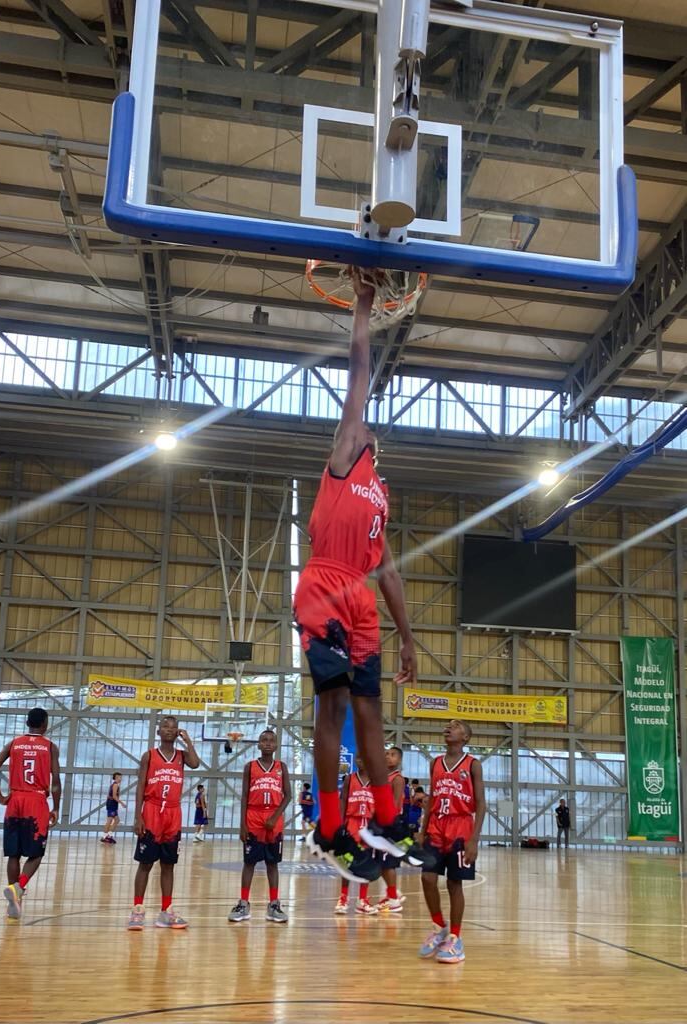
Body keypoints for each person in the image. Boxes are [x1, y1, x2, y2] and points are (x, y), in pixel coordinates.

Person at [294, 270, 417, 881]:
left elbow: (390, 572)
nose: (366, 422)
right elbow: (359, 370)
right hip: (325, 584)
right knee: (334, 707)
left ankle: (387, 820)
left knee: (372, 712)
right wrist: (364, 306)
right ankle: (328, 825)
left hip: (362, 599)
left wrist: (409, 637)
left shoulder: (380, 496)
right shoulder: (345, 451)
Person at [412, 720, 486, 964]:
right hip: (436, 826)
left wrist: (474, 839)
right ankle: (438, 925)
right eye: (447, 725)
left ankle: (455, 938)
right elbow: (432, 798)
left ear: (465, 737)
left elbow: (481, 804)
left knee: (455, 884)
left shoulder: (473, 765)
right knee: (427, 878)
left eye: (454, 726)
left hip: (460, 829)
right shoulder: (435, 763)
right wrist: (423, 830)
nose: (447, 728)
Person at [0, 707, 61, 923]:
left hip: (15, 800)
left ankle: (14, 904)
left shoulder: (14, 743)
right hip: (36, 802)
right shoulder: (50, 747)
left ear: (28, 723)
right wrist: (55, 807)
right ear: (45, 724)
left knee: (14, 854)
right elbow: (55, 782)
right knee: (36, 854)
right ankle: (19, 888)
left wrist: (0, 797)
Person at [127, 716, 199, 930]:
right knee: (145, 863)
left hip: (173, 812)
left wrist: (189, 742)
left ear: (178, 731)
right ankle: (137, 909)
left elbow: (195, 764)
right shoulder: (149, 755)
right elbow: (141, 785)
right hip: (151, 810)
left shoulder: (182, 756)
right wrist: (138, 815)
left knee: (168, 865)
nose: (170, 729)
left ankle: (166, 911)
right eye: (165, 726)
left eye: (173, 727)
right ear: (158, 732)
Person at [228, 729, 291, 924]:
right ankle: (244, 903)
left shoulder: (282, 767)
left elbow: (288, 795)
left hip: (274, 817)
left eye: (271, 740)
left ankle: (273, 904)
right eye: (264, 740)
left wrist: (275, 816)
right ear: (258, 744)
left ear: (276, 745)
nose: (267, 743)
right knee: (249, 862)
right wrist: (242, 825)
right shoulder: (250, 767)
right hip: (253, 817)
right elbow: (245, 796)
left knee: (273, 864)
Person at [334, 756, 378, 915]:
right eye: (359, 758)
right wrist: (340, 824)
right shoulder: (350, 779)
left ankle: (362, 900)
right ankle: (343, 898)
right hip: (352, 822)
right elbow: (343, 800)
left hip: (369, 824)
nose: (361, 760)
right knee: (346, 863)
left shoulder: (377, 780)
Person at [377, 746, 406, 913]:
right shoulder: (381, 778)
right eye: (386, 754)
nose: (388, 757)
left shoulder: (397, 779)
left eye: (393, 755)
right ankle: (394, 893)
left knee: (388, 864)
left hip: (390, 824)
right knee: (380, 863)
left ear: (399, 760)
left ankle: (394, 900)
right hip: (380, 823)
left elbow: (395, 804)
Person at [101, 772, 125, 844]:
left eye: (121, 777)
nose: (120, 778)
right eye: (119, 777)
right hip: (112, 804)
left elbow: (109, 795)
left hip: (113, 804)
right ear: (116, 778)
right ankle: (104, 837)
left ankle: (109, 835)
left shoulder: (115, 785)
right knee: (109, 820)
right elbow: (114, 796)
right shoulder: (115, 785)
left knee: (117, 820)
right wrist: (122, 803)